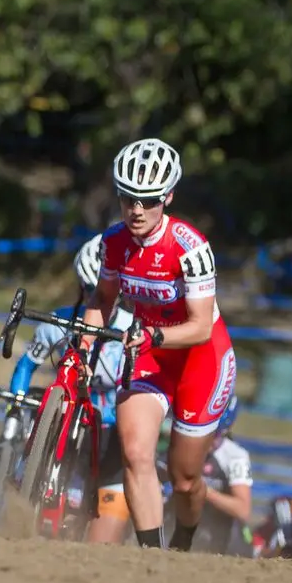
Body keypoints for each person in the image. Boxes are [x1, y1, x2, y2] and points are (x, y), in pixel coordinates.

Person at [82, 138, 237, 551]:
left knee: (185, 479)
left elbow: (201, 326)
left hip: (200, 358)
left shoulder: (189, 247)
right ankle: (153, 555)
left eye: (148, 201)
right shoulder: (113, 242)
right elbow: (102, 300)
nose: (136, 210)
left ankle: (183, 541)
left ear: (167, 197)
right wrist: (84, 347)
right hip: (149, 351)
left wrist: (154, 335)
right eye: (127, 199)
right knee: (135, 452)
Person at [4, 234, 135, 543]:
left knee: (100, 544)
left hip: (113, 439)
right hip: (66, 422)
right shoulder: (56, 323)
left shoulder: (132, 327)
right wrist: (17, 410)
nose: (99, 299)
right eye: (91, 291)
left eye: (105, 293)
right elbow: (25, 367)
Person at [186, 395, 254, 556]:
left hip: (222, 532)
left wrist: (203, 491)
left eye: (214, 434)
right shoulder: (184, 443)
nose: (207, 440)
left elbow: (243, 509)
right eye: (204, 431)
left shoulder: (235, 456)